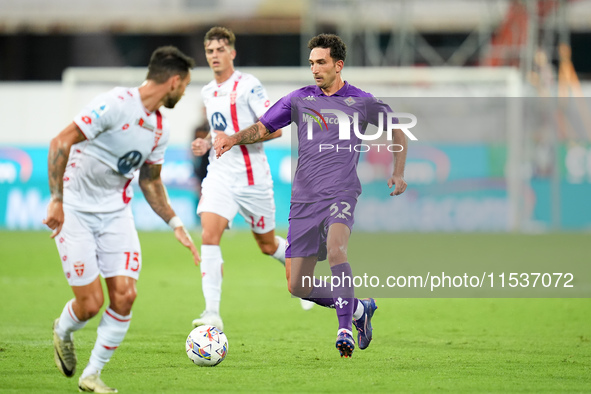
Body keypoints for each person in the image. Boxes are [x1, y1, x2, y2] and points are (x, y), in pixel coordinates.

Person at [213, 34, 408, 358]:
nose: (315, 69)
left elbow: (397, 129)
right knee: (297, 286)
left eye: (321, 62)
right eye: (312, 63)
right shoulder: (299, 99)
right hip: (304, 200)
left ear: (338, 65)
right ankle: (359, 310)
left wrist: (398, 170)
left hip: (341, 193)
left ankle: (344, 327)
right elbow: (263, 127)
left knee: (336, 250)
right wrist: (233, 139)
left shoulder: (361, 101)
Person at [43, 46, 199, 393]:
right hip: (76, 211)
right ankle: (63, 329)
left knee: (125, 296)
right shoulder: (115, 104)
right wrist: (57, 200)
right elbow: (60, 141)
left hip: (116, 214)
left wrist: (175, 223)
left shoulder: (160, 129)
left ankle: (92, 374)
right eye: (185, 86)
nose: (184, 92)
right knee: (90, 305)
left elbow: (150, 180)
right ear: (173, 81)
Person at [191, 27, 312, 331]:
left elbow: (276, 128)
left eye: (220, 50)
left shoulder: (249, 86)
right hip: (219, 175)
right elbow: (218, 128)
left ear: (232, 53)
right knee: (209, 235)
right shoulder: (207, 91)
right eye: (209, 51)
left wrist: (233, 139)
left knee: (267, 244)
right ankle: (211, 313)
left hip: (252, 178)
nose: (214, 56)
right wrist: (206, 143)